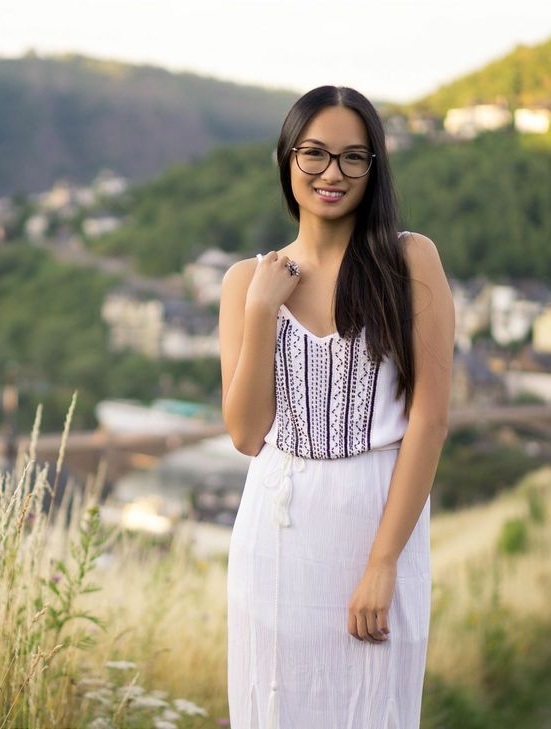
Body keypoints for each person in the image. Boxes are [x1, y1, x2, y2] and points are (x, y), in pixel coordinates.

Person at [219, 85, 454, 728]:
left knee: (372, 706)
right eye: (315, 153)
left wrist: (383, 565)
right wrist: (263, 310)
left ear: (374, 168)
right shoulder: (246, 281)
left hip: (377, 519)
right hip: (277, 530)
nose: (333, 173)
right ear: (287, 159)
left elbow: (429, 422)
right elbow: (245, 434)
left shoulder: (410, 260)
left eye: (355, 157)